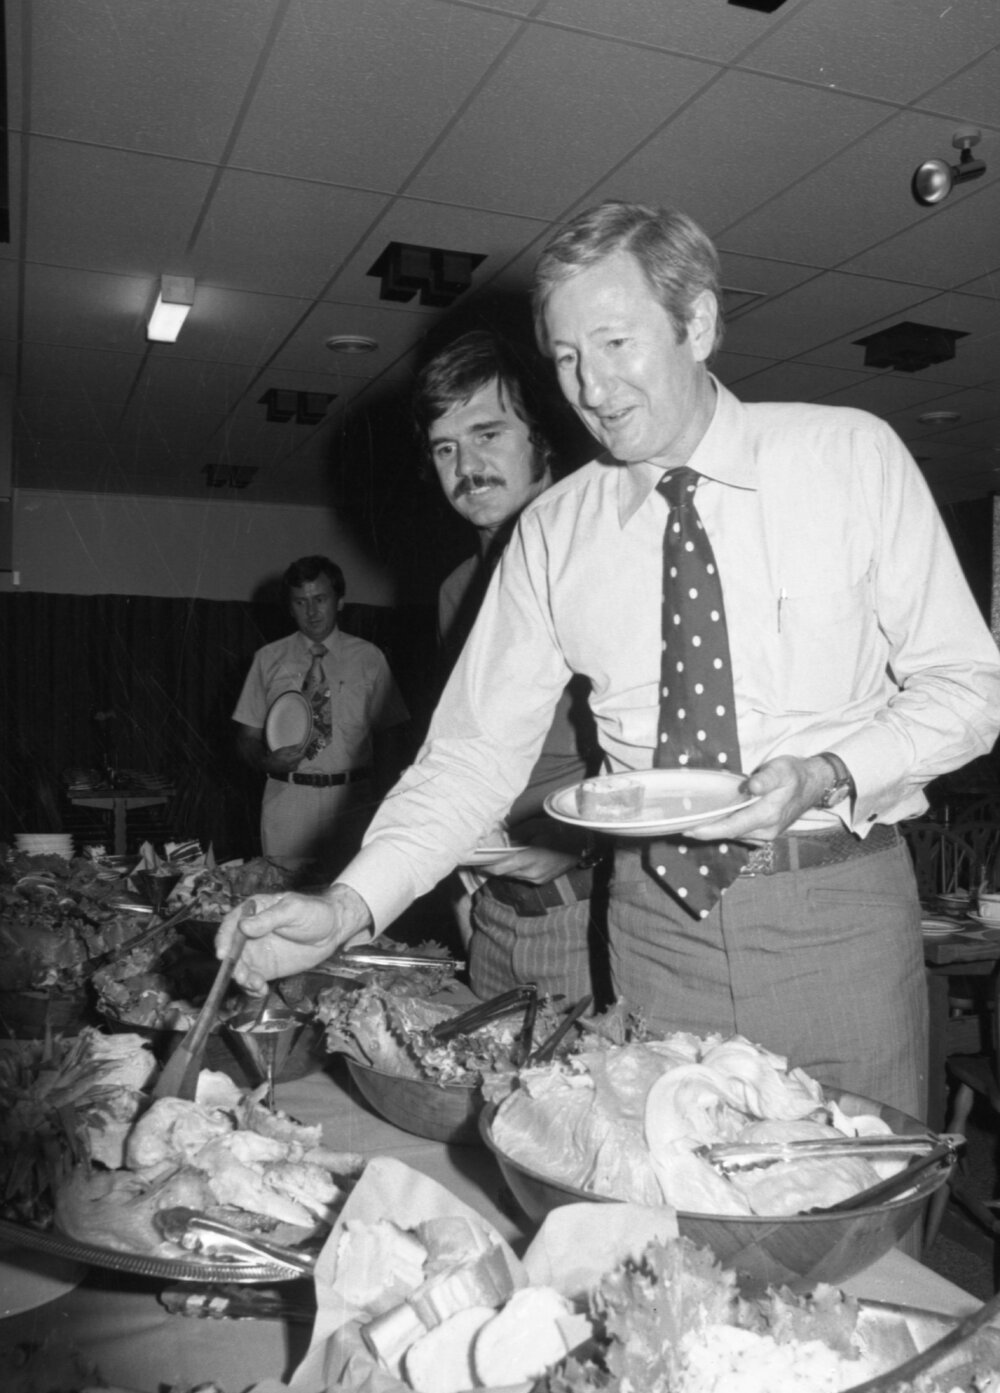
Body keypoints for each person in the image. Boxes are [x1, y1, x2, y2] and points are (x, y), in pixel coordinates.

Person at [219, 202, 1000, 1126]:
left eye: (616, 342)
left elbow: (971, 688)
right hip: (649, 924)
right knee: (653, 1232)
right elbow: (470, 757)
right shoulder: (554, 532)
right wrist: (349, 905)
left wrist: (831, 770)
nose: (591, 384)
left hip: (832, 907)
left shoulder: (848, 457)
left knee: (854, 1232)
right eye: (564, 357)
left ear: (698, 323)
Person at [414, 330, 605, 1003]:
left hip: (587, 910)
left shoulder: (604, 556)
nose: (466, 465)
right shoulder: (455, 589)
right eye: (445, 448)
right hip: (493, 905)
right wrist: (468, 898)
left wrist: (582, 854)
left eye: (487, 433)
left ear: (541, 436)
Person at [232, 554, 409, 883]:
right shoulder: (267, 659)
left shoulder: (370, 658)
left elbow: (391, 737)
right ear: (289, 607)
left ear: (340, 601)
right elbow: (246, 738)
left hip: (353, 800)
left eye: (320, 599)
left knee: (350, 898)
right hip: (288, 802)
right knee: (285, 903)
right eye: (300, 602)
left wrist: (388, 804)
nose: (311, 612)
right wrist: (266, 761)